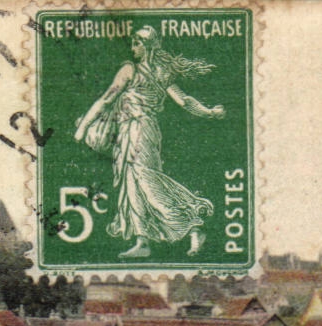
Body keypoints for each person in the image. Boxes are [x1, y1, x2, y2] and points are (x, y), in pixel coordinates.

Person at [74, 26, 225, 258]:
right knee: (131, 183)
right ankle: (142, 241)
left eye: (137, 43)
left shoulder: (130, 70)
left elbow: (107, 99)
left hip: (140, 129)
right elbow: (184, 101)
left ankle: (193, 224)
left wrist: (83, 127)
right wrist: (209, 112)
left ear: (148, 46)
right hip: (131, 131)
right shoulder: (161, 73)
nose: (133, 48)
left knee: (146, 180)